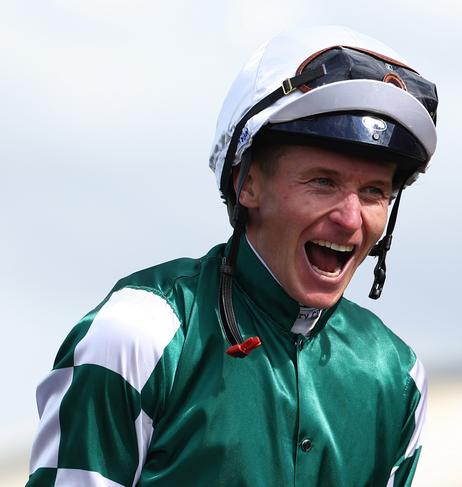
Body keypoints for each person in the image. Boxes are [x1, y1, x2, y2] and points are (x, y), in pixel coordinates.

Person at [27, 25, 438, 486]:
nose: (350, 218)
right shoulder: (137, 335)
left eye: (373, 192)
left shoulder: (398, 376)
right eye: (323, 182)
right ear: (247, 183)